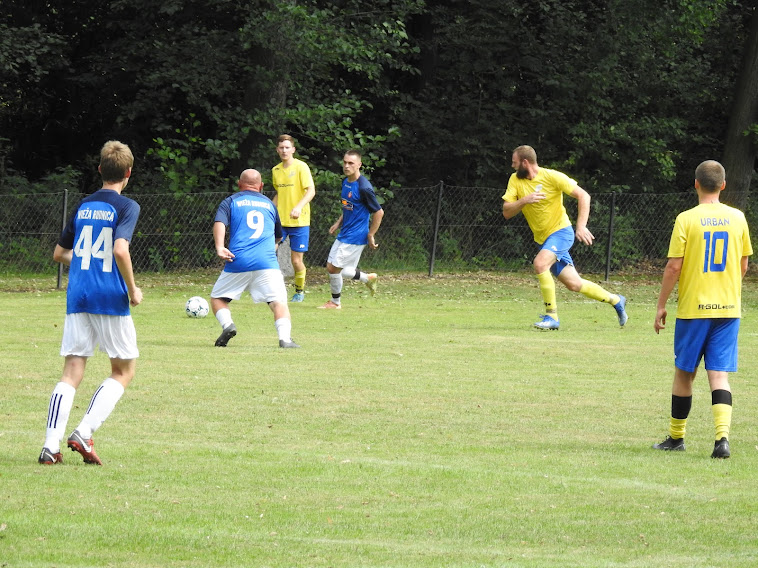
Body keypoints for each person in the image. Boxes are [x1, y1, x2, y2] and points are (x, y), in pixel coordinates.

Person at [39, 140, 142, 466]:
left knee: (71, 371)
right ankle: (84, 431)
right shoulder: (127, 207)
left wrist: (85, 260)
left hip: (78, 294)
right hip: (109, 296)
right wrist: (133, 288)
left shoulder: (83, 205)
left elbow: (59, 254)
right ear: (128, 173)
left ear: (99, 170)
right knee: (123, 370)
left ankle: (49, 446)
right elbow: (120, 250)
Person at [653, 160, 752, 459]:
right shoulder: (738, 218)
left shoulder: (686, 219)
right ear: (723, 185)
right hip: (728, 309)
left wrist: (661, 305)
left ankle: (676, 437)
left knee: (685, 373)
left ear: (696, 184)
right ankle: (722, 440)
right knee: (719, 375)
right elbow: (744, 265)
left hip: (694, 308)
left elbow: (674, 266)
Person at [502, 145, 628, 330]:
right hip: (543, 240)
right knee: (574, 284)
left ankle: (551, 317)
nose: (512, 167)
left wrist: (581, 226)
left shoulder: (552, 177)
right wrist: (524, 200)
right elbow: (506, 212)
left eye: (514, 163)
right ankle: (616, 300)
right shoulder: (515, 180)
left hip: (561, 232)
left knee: (540, 264)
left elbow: (583, 196)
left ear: (525, 162)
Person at [211, 169, 300, 349]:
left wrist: (220, 247)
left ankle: (228, 325)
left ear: (239, 184)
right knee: (278, 303)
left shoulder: (230, 201)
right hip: (267, 262)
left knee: (218, 298)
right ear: (261, 186)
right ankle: (285, 339)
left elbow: (219, 222)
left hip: (239, 260)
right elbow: (278, 237)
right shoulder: (269, 205)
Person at [318, 150, 384, 309]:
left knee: (333, 268)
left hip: (356, 235)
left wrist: (371, 234)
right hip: (345, 232)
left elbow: (379, 212)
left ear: (359, 165)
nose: (346, 166)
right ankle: (368, 278)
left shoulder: (364, 188)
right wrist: (338, 222)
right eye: (345, 162)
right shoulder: (346, 182)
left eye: (351, 163)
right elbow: (348, 206)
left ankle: (335, 303)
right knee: (337, 268)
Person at [271, 134, 316, 302]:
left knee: (296, 260)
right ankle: (273, 289)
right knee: (270, 251)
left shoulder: (301, 167)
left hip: (299, 221)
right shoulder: (275, 170)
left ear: (293, 150)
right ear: (277, 150)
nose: (284, 150)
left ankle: (299, 291)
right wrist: (270, 209)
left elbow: (311, 190)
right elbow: (279, 194)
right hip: (281, 221)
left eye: (287, 147)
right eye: (281, 148)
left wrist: (298, 207)